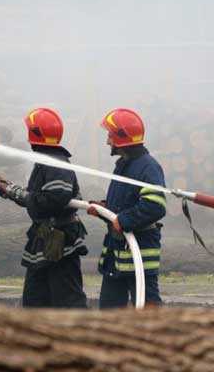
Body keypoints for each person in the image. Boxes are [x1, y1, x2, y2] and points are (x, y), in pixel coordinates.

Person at [0, 107, 88, 308]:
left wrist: (14, 191)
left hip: (59, 241)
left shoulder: (56, 163)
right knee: (36, 299)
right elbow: (37, 198)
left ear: (35, 134)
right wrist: (6, 189)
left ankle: (79, 337)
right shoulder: (46, 162)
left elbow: (53, 199)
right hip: (46, 238)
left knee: (68, 301)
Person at [88, 108, 167, 308]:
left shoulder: (147, 167)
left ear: (121, 138)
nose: (107, 141)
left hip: (139, 254)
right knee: (110, 312)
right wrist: (104, 209)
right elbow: (125, 204)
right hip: (117, 256)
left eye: (110, 136)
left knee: (148, 311)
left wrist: (123, 220)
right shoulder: (125, 165)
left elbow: (155, 206)